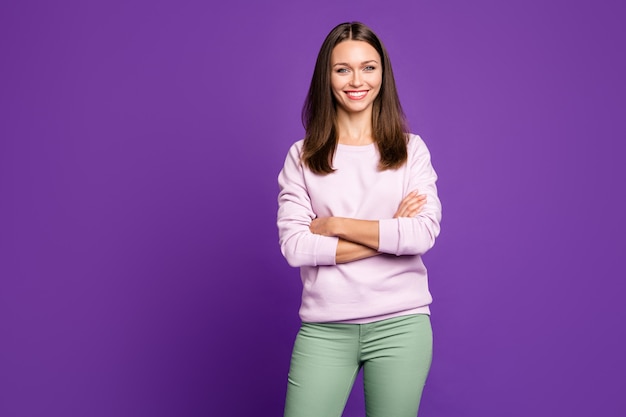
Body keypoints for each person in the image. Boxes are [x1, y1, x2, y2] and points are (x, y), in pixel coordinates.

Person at [277, 21, 442, 417]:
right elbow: (296, 247)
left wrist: (335, 225)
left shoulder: (410, 151)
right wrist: (388, 232)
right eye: (343, 69)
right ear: (327, 76)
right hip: (325, 329)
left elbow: (420, 235)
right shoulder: (301, 157)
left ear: (383, 74)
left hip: (401, 326)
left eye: (369, 67)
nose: (357, 80)